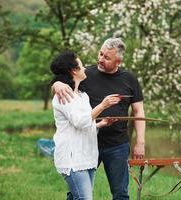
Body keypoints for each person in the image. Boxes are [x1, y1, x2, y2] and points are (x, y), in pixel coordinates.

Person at [52, 38, 146, 200]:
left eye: (107, 57)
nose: (100, 59)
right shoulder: (85, 74)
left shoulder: (129, 79)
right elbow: (64, 81)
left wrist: (140, 142)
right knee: (77, 193)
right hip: (85, 145)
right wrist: (56, 85)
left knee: (121, 193)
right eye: (100, 54)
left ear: (119, 61)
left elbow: (138, 111)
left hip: (117, 145)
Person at [50, 50, 121, 200]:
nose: (85, 69)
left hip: (87, 158)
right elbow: (80, 121)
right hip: (73, 160)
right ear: (73, 71)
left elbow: (84, 125)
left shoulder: (82, 96)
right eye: (81, 66)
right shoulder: (64, 95)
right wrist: (102, 105)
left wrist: (100, 124)